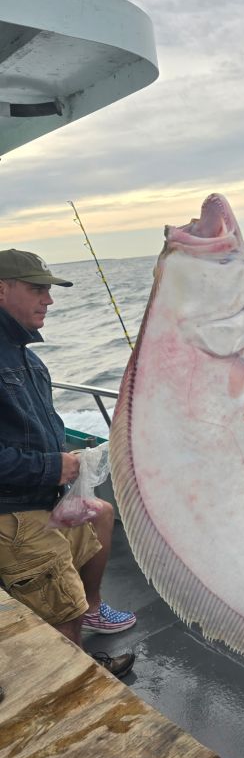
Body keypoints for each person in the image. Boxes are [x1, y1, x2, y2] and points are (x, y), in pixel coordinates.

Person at [0, 249, 137, 679]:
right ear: (2, 289)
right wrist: (49, 468)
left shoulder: (23, 354)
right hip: (14, 512)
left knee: (101, 516)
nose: (49, 300)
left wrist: (66, 461)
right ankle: (72, 683)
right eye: (37, 289)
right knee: (63, 608)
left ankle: (83, 633)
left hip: (43, 497)